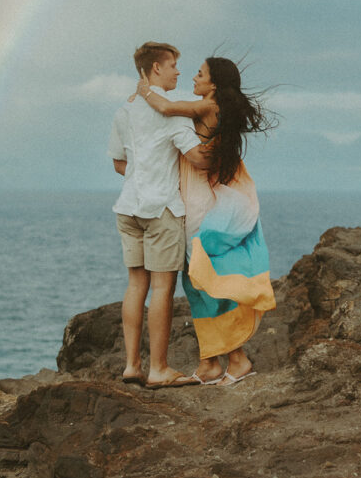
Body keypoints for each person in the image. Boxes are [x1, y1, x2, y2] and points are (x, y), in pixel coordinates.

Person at [136, 56, 276, 385]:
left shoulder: (208, 106)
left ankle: (238, 359)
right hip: (197, 194)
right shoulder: (211, 106)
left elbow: (168, 109)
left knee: (204, 279)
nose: (193, 78)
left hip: (200, 200)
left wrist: (144, 90)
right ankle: (210, 361)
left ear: (213, 84)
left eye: (200, 74)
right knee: (195, 280)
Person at [108, 41, 211, 389]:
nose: (178, 72)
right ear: (155, 68)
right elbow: (197, 158)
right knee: (162, 289)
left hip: (128, 206)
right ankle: (159, 370)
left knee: (136, 284)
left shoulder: (125, 110)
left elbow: (119, 163)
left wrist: (144, 173)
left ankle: (132, 365)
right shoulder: (173, 112)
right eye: (173, 66)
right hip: (162, 209)